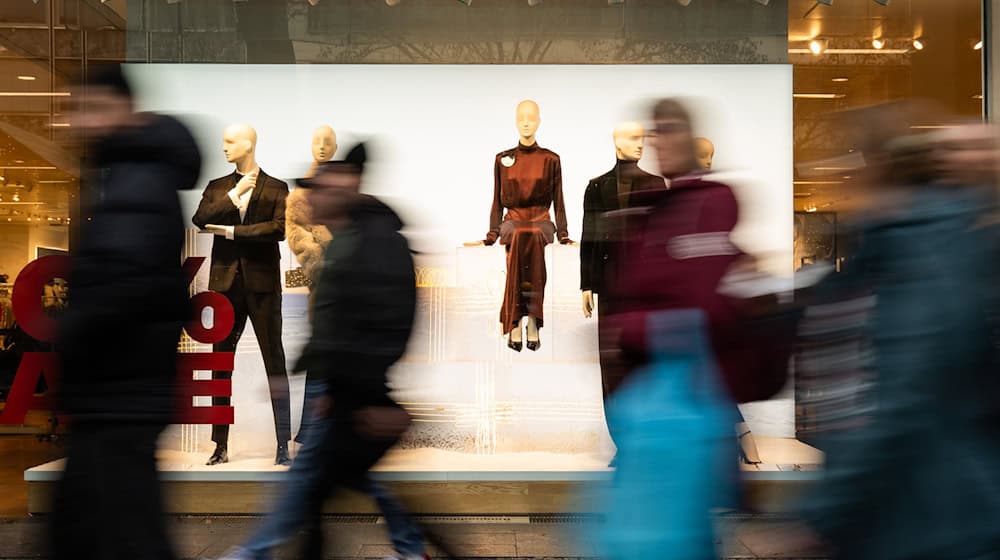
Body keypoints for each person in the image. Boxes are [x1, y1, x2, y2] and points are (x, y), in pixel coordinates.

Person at [790, 103, 1000, 560]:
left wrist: (826, 514)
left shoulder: (920, 253)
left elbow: (900, 398)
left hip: (929, 517)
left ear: (875, 166)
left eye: (844, 163)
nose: (835, 181)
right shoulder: (901, 247)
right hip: (917, 510)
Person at [219, 143, 426, 560]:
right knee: (342, 472)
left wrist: (360, 388)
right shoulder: (351, 240)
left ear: (345, 189)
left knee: (311, 473)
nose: (310, 198)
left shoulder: (372, 241)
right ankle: (411, 545)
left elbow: (388, 317)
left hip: (348, 385)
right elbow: (337, 315)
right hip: (339, 381)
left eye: (319, 190)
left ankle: (255, 552)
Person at [52, 64, 202, 560]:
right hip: (118, 391)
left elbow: (124, 281)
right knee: (103, 530)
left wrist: (69, 333)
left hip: (120, 392)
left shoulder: (137, 180)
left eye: (94, 108)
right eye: (77, 109)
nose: (81, 121)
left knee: (120, 535)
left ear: (128, 110)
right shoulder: (123, 176)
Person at [591, 98, 742, 559]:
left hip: (686, 400)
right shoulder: (653, 206)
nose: (659, 140)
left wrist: (631, 327)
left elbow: (703, 302)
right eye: (655, 130)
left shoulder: (711, 202)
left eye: (670, 128)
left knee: (668, 532)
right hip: (651, 402)